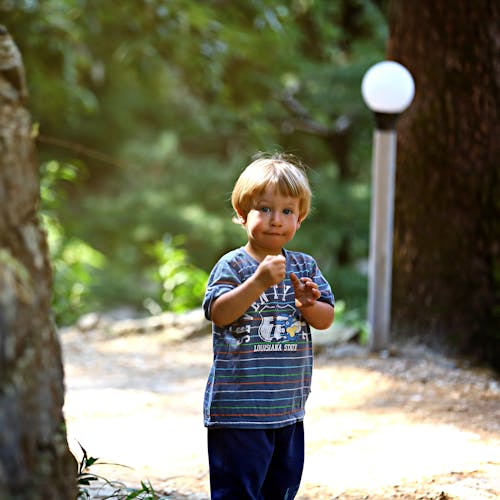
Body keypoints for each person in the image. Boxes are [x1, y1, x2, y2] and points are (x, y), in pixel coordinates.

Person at [202, 153, 335, 500]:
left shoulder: (305, 266)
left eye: (287, 211)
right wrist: (258, 283)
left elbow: (325, 319)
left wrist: (308, 303)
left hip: (287, 410)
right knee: (239, 493)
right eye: (265, 209)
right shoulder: (233, 265)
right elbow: (219, 313)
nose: (276, 220)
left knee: (280, 490)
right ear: (243, 215)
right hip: (239, 413)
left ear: (300, 219)